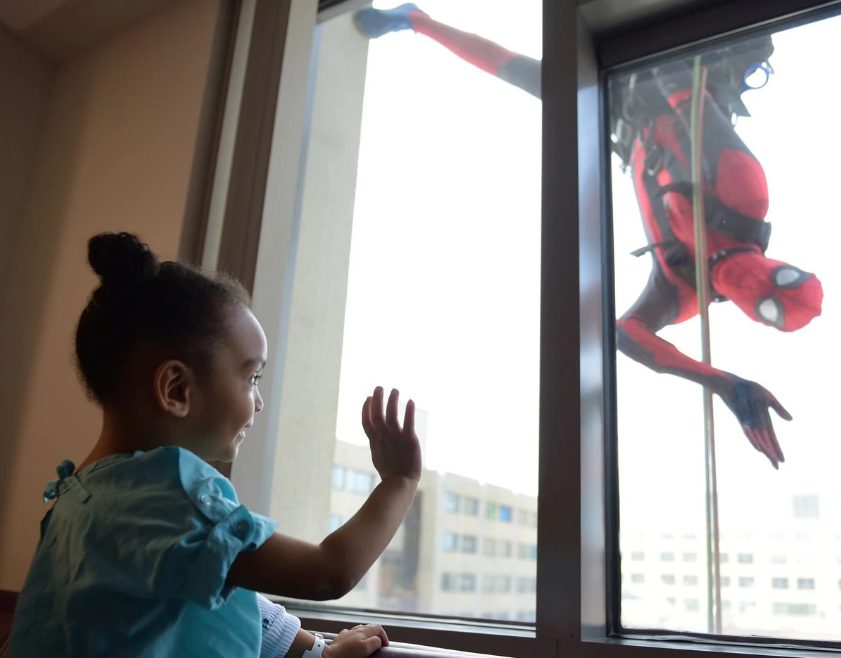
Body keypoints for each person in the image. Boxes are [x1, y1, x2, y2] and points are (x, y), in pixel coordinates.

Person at [354, 4, 823, 469]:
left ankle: (417, 21)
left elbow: (628, 334)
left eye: (765, 305)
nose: (755, 284)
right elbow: (680, 85)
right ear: (781, 263)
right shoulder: (744, 194)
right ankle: (417, 21)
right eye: (780, 278)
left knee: (515, 72)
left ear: (752, 314)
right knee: (521, 71)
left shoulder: (682, 289)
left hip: (622, 109)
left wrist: (722, 382)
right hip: (641, 80)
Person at [9, 232, 423, 657]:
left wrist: (319, 651)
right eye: (251, 377)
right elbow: (327, 572)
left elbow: (216, 598)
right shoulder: (166, 495)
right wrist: (400, 480)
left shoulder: (82, 496)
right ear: (177, 388)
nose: (259, 402)